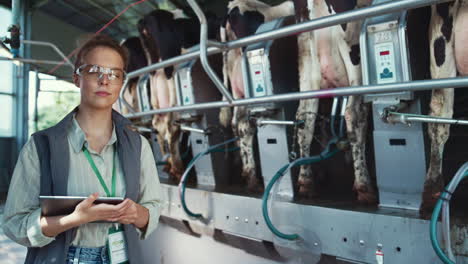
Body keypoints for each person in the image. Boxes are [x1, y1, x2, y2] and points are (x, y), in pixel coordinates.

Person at [2, 35, 163, 264]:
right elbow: (14, 223)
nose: (104, 80)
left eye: (114, 74)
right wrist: (71, 220)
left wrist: (138, 214)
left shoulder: (138, 146)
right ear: (77, 78)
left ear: (121, 82)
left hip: (121, 257)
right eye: (94, 70)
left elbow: (153, 207)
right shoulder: (41, 146)